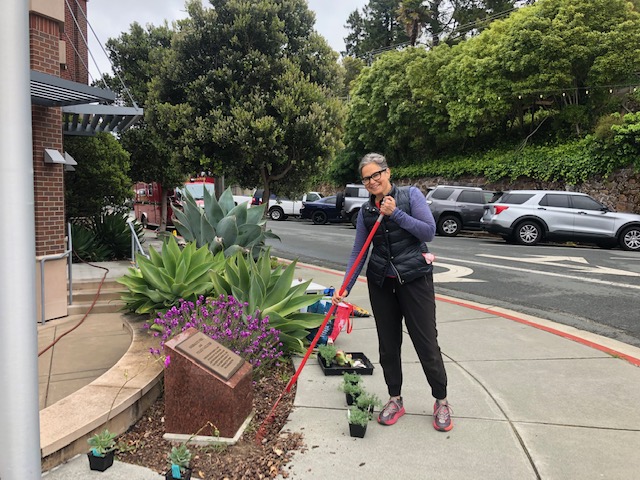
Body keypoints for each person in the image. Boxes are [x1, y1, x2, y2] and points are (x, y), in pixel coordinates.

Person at [331, 152, 453, 432]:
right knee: (388, 345)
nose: (373, 181)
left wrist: (395, 213)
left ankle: (441, 401)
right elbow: (358, 250)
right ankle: (395, 398)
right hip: (381, 283)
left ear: (388, 172)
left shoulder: (411, 196)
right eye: (366, 178)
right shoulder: (366, 211)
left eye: (377, 174)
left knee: (426, 344)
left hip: (415, 280)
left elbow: (428, 232)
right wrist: (345, 286)